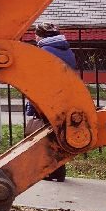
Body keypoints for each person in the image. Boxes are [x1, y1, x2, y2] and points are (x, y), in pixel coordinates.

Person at [28, 22, 78, 183]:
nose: (34, 37)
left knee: (47, 135)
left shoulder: (45, 51)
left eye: (36, 34)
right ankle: (59, 170)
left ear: (42, 36)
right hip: (64, 97)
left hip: (48, 99)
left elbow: (38, 78)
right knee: (58, 134)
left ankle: (50, 170)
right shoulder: (67, 50)